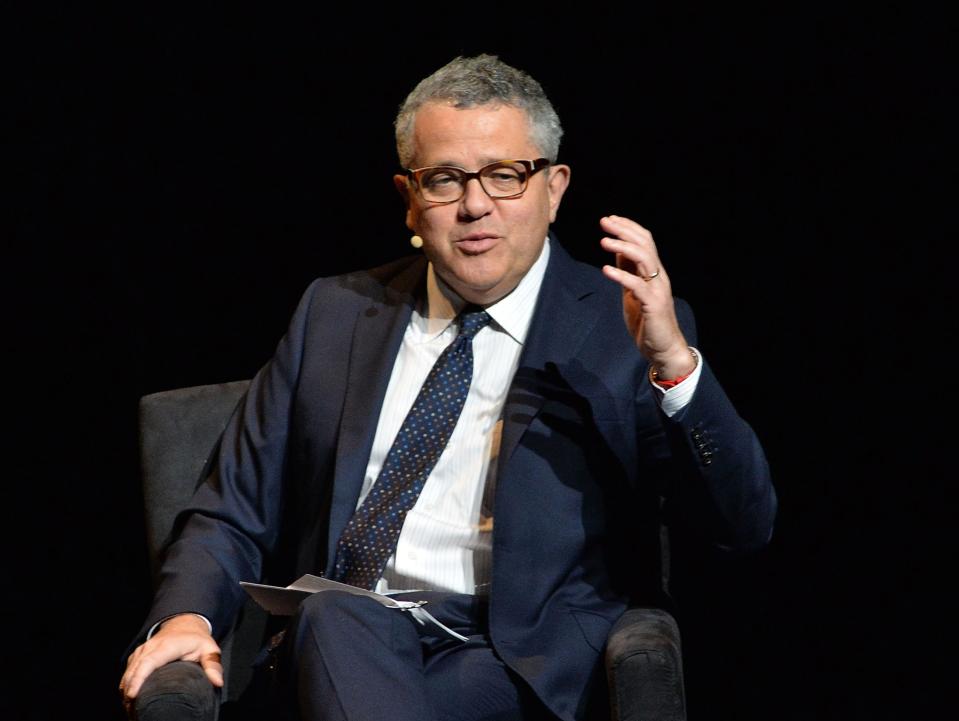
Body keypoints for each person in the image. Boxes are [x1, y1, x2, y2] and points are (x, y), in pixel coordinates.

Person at [120, 54, 776, 721]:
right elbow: (231, 505)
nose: (474, 205)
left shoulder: (621, 328)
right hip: (340, 642)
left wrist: (673, 366)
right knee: (338, 613)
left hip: (514, 665)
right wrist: (184, 616)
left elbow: (741, 524)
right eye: (445, 180)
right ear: (409, 196)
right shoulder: (337, 312)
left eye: (505, 175)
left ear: (554, 188)